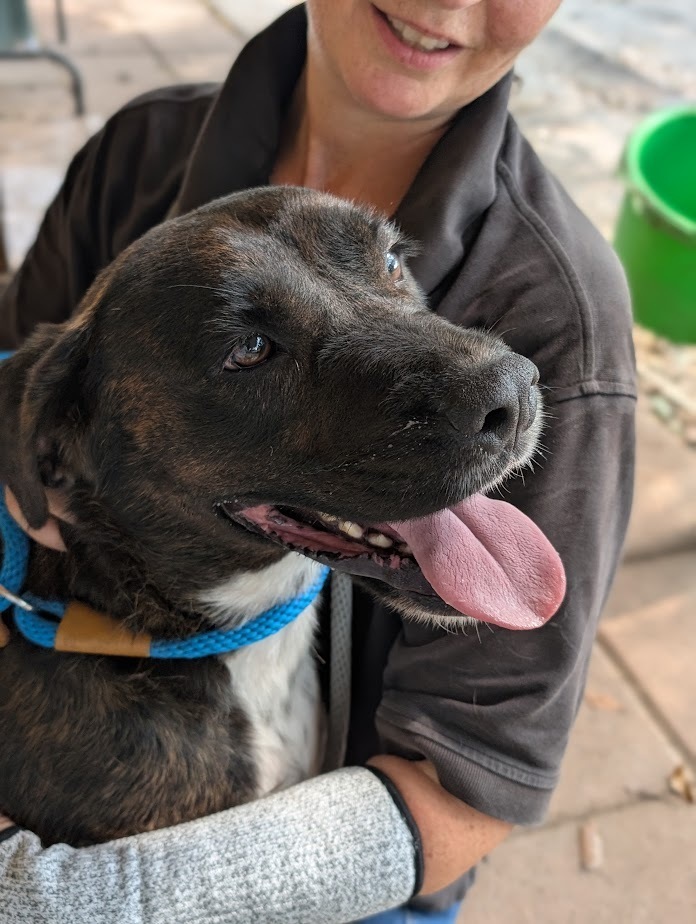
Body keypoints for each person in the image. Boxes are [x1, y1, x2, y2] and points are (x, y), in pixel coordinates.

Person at [0, 2, 636, 921]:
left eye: (390, 265)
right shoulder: (140, 148)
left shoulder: (560, 308)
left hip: (373, 855)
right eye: (251, 351)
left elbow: (468, 789)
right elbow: (20, 376)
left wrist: (58, 898)